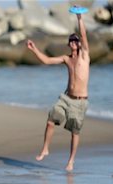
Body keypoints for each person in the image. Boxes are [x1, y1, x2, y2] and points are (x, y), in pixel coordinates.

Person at [26, 12, 90, 172]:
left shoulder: (84, 56)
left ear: (80, 43)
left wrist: (79, 18)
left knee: (74, 132)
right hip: (66, 97)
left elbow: (83, 34)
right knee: (50, 120)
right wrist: (34, 50)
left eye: (76, 40)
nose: (74, 42)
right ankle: (45, 149)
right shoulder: (67, 59)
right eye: (72, 40)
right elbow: (47, 60)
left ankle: (71, 161)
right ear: (69, 44)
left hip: (80, 101)